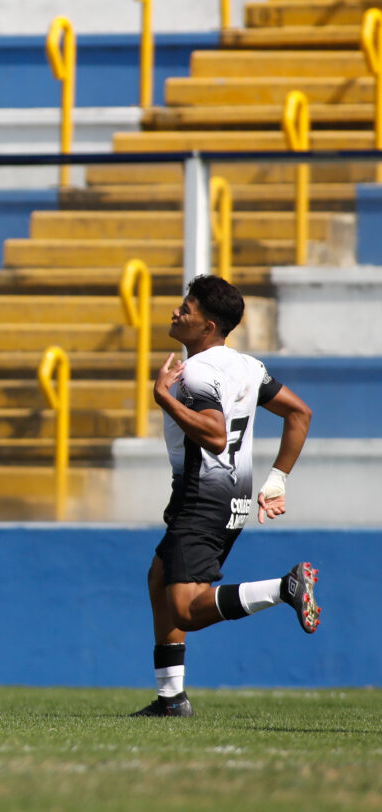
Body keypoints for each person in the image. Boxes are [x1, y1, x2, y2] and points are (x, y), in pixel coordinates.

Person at [131, 275, 319, 718]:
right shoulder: (248, 366)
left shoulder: (197, 372)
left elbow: (215, 436)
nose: (177, 312)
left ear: (209, 326)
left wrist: (163, 397)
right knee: (160, 578)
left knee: (186, 609)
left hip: (204, 494)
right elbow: (299, 412)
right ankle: (171, 698)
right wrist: (278, 479)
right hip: (230, 493)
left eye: (187, 309)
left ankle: (284, 586)